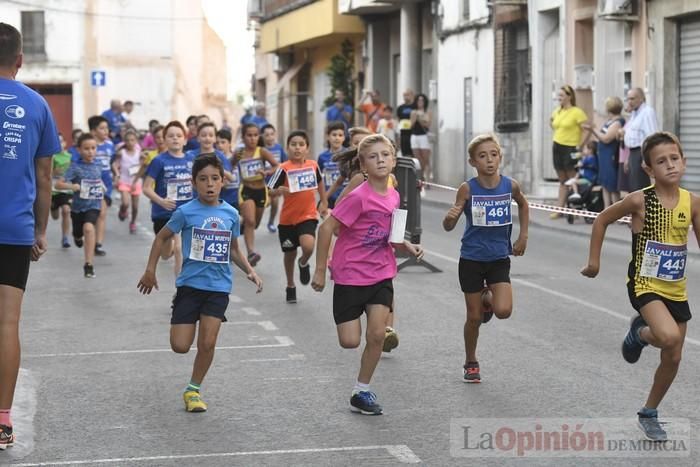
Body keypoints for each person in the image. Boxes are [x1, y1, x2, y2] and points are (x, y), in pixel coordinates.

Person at [581, 131, 699, 442]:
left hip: (676, 288)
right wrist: (594, 261)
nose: (670, 165)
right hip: (644, 284)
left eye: (675, 159)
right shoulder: (639, 200)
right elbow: (602, 220)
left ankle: (649, 412)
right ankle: (640, 332)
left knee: (673, 355)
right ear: (648, 169)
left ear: (684, 162)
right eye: (661, 161)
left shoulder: (693, 203)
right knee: (668, 336)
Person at [138, 154, 262, 413]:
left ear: (222, 182)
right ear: (194, 183)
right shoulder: (186, 212)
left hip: (218, 288)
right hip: (189, 287)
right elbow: (161, 238)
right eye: (203, 179)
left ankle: (193, 390)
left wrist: (249, 271)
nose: (210, 184)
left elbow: (234, 250)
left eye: (215, 179)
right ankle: (181, 316)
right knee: (180, 346)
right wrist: (150, 270)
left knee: (207, 343)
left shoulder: (230, 214)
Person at [311, 134, 423, 415]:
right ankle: (360, 384)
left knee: (376, 335)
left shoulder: (395, 195)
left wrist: (406, 244)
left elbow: (394, 234)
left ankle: (361, 390)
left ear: (394, 160)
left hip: (381, 273)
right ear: (363, 165)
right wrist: (321, 270)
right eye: (373, 157)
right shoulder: (358, 198)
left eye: (385, 155)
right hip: (350, 274)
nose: (380, 160)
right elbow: (326, 229)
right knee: (349, 341)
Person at [0, 22, 60, 450]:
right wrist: (40, 229)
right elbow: (45, 178)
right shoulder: (36, 105)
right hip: (13, 229)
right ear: (20, 59)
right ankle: (2, 420)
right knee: (7, 323)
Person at [442, 133, 529, 383]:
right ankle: (471, 361)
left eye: (493, 154)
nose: (489, 160)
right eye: (482, 156)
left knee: (504, 311)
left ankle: (487, 298)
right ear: (473, 162)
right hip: (471, 258)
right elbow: (448, 225)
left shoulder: (509, 185)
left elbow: (523, 205)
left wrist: (523, 236)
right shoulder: (467, 188)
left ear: (500, 157)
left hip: (499, 257)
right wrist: (453, 215)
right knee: (474, 318)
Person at [268, 130, 328, 303]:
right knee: (289, 254)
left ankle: (303, 263)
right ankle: (290, 285)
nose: (297, 148)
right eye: (293, 144)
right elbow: (270, 190)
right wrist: (279, 190)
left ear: (307, 148)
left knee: (308, 246)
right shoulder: (283, 168)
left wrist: (323, 201)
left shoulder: (313, 165)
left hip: (308, 216)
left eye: (301, 144)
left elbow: (320, 183)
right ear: (287, 148)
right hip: (287, 220)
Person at [143, 121, 195, 278]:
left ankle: (180, 289)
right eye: (171, 136)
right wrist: (161, 201)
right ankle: (170, 248)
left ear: (185, 140)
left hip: (185, 212)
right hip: (163, 214)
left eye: (179, 136)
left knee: (180, 248)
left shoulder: (192, 159)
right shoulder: (159, 161)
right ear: (164, 140)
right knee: (166, 254)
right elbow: (146, 188)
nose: (175, 139)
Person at [55, 134, 103, 278]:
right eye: (86, 148)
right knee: (78, 232)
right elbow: (58, 184)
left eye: (93, 148)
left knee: (88, 228)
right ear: (79, 150)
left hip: (94, 205)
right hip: (77, 208)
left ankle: (88, 265)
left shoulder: (99, 165)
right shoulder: (74, 167)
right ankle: (76, 237)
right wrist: (72, 186)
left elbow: (104, 181)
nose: (90, 152)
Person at [233, 123, 279, 266]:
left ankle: (240, 228)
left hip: (261, 191)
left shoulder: (262, 151)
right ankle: (251, 253)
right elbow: (230, 164)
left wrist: (266, 172)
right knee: (251, 221)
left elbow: (277, 166)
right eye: (249, 135)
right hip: (246, 190)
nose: (252, 138)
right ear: (243, 137)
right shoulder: (240, 153)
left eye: (255, 135)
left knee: (255, 223)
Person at [550, 84, 588, 218]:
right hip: (557, 145)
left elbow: (586, 130)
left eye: (561, 95)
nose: (558, 98)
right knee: (562, 179)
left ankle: (575, 206)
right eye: (558, 95)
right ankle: (560, 209)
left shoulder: (577, 112)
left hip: (570, 147)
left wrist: (580, 145)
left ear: (569, 96)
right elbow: (553, 123)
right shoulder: (557, 111)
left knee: (572, 178)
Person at [583, 96, 624, 208]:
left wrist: (593, 130)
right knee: (605, 184)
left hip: (610, 156)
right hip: (604, 156)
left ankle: (617, 212)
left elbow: (606, 138)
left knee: (612, 185)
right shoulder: (610, 121)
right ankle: (607, 209)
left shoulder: (617, 122)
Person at [86, 115, 114, 257]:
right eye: (102, 128)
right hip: (91, 183)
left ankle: (98, 244)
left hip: (106, 184)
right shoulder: (89, 146)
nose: (105, 131)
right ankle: (86, 234)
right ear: (93, 131)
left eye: (106, 128)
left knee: (102, 213)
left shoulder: (110, 145)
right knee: (91, 212)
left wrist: (116, 172)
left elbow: (113, 162)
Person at [621, 87, 658, 192]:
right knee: (634, 187)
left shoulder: (647, 112)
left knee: (641, 187)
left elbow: (652, 136)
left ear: (641, 98)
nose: (629, 102)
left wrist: (646, 158)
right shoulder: (635, 113)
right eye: (628, 99)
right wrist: (628, 158)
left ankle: (644, 208)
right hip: (633, 153)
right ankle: (637, 208)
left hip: (641, 152)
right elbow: (633, 137)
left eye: (632, 99)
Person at [112, 129, 143, 233]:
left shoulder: (139, 153)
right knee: (125, 203)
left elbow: (143, 168)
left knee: (135, 207)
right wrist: (116, 174)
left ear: (136, 141)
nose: (130, 142)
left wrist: (136, 180)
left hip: (136, 182)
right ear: (124, 141)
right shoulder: (122, 152)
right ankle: (123, 210)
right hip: (124, 181)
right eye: (128, 140)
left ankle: (132, 222)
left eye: (132, 140)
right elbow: (115, 165)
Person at [261, 124, 288, 232]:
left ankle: (271, 222)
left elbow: (285, 163)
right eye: (267, 135)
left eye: (272, 134)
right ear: (262, 136)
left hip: (276, 181)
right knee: (264, 203)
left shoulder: (279, 148)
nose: (270, 137)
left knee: (275, 202)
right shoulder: (260, 150)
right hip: (262, 182)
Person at [51, 133, 74, 248]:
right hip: (53, 189)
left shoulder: (70, 157)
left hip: (66, 189)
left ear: (65, 143)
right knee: (55, 216)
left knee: (66, 210)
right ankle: (53, 209)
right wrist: (54, 172)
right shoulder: (51, 157)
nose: (59, 143)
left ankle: (65, 237)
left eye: (61, 141)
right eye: (57, 141)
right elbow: (45, 174)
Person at [317, 121, 346, 209]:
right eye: (334, 135)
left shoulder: (348, 154)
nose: (337, 138)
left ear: (344, 138)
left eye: (340, 135)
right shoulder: (322, 157)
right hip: (328, 197)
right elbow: (319, 179)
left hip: (345, 197)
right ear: (328, 137)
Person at [215, 128, 241, 211]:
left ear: (229, 143)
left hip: (238, 198)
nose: (220, 145)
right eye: (217, 143)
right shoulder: (215, 160)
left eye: (223, 142)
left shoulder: (237, 158)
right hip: (223, 198)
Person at [410, 94, 432, 181]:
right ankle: (420, 176)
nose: (420, 102)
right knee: (417, 158)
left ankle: (425, 176)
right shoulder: (413, 112)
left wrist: (421, 119)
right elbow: (410, 125)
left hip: (424, 136)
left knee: (425, 159)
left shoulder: (428, 112)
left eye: (422, 100)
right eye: (418, 100)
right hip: (414, 136)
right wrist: (415, 118)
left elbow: (428, 124)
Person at [396, 89, 415, 156]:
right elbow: (398, 120)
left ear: (412, 95)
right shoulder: (400, 108)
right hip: (403, 134)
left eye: (407, 95)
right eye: (404, 95)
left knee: (413, 153)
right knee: (405, 153)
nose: (405, 97)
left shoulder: (415, 106)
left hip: (413, 133)